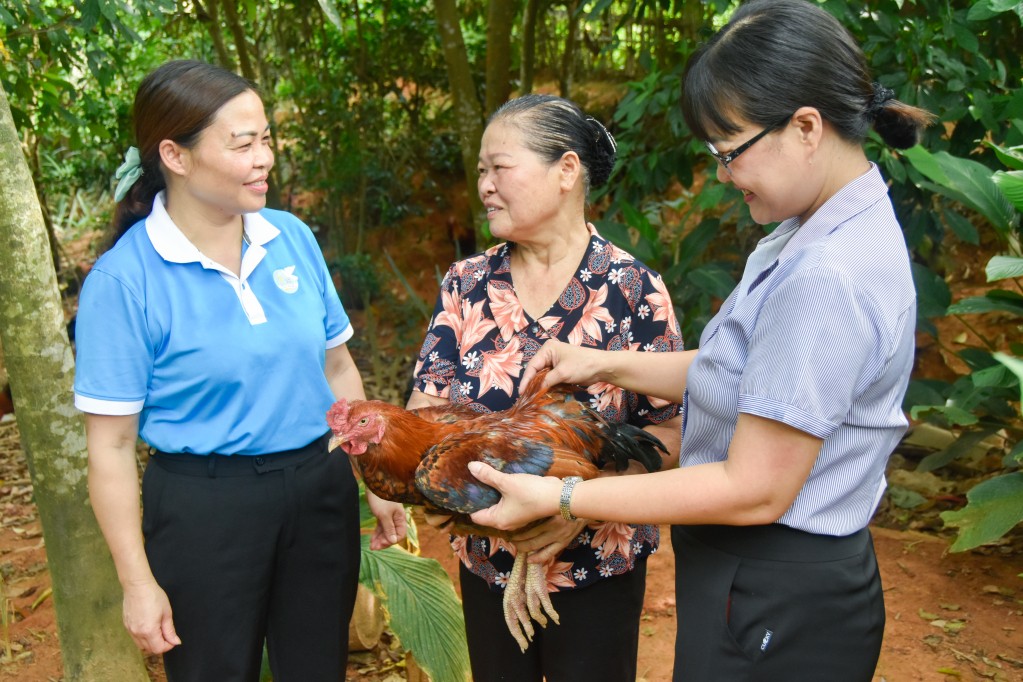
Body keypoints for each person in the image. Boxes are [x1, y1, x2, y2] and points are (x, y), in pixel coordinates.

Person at [467, 1, 935, 680]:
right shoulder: (811, 229)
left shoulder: (826, 274)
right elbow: (744, 370)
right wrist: (603, 363)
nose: (722, 174)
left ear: (805, 127)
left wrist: (563, 499)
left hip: (776, 589)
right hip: (755, 581)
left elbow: (753, 488)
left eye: (730, 152)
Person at [73, 60, 406, 682]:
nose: (265, 159)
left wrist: (374, 479)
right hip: (206, 511)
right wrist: (137, 582)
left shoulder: (291, 237)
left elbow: (337, 367)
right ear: (175, 155)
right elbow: (111, 447)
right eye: (243, 144)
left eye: (267, 140)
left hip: (320, 488)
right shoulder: (125, 280)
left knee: (318, 668)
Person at [406, 93, 685, 681]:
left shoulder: (634, 289)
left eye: (499, 167)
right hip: (489, 561)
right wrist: (428, 485)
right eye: (480, 170)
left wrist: (583, 505)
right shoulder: (467, 283)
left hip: (598, 563)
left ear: (565, 171)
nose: (484, 184)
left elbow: (671, 432)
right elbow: (425, 407)